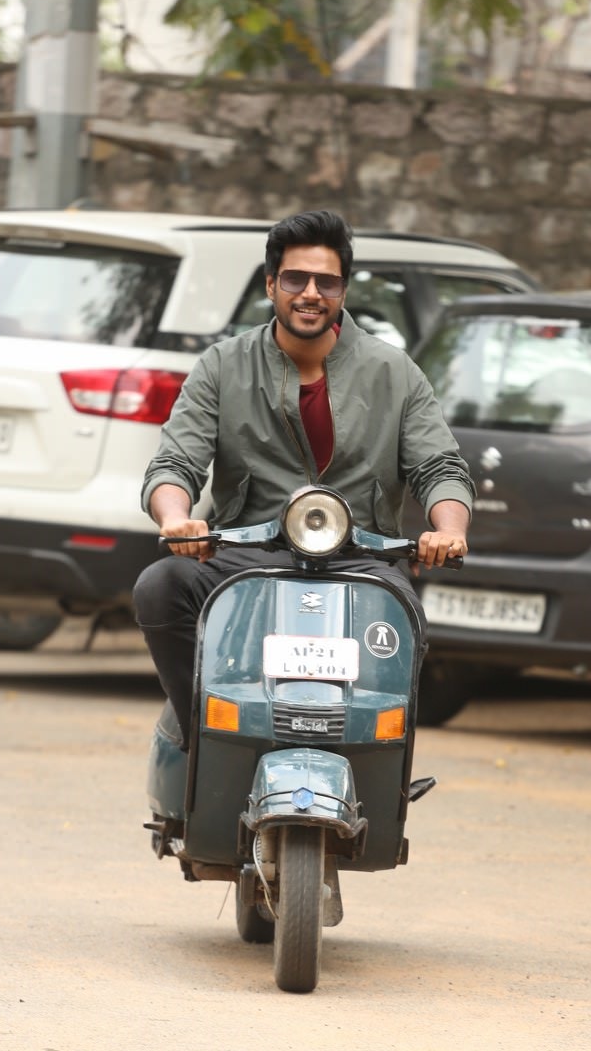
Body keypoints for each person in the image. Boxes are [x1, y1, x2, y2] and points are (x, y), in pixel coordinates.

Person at [133, 208, 473, 746]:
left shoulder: (395, 372)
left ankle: (381, 784)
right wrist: (177, 519)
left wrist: (449, 528)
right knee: (161, 586)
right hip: (246, 551)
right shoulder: (223, 365)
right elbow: (176, 461)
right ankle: (201, 735)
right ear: (271, 285)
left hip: (363, 558)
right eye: (295, 279)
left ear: (343, 290)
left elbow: (439, 466)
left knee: (405, 628)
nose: (310, 293)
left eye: (327, 282)